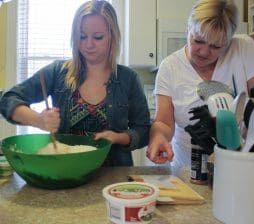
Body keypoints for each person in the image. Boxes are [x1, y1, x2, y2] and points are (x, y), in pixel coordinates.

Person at [0, 0, 150, 166]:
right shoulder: (57, 72)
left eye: (98, 37)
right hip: (65, 173)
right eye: (82, 36)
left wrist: (119, 137)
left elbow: (143, 131)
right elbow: (8, 100)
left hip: (113, 179)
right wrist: (38, 120)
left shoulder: (128, 79)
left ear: (112, 36)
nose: (88, 44)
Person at [146, 0, 254, 167]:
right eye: (198, 41)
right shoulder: (170, 67)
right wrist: (158, 137)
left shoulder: (244, 48)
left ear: (228, 41)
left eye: (216, 46)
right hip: (187, 170)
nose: (204, 52)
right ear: (187, 30)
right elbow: (163, 122)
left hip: (242, 165)